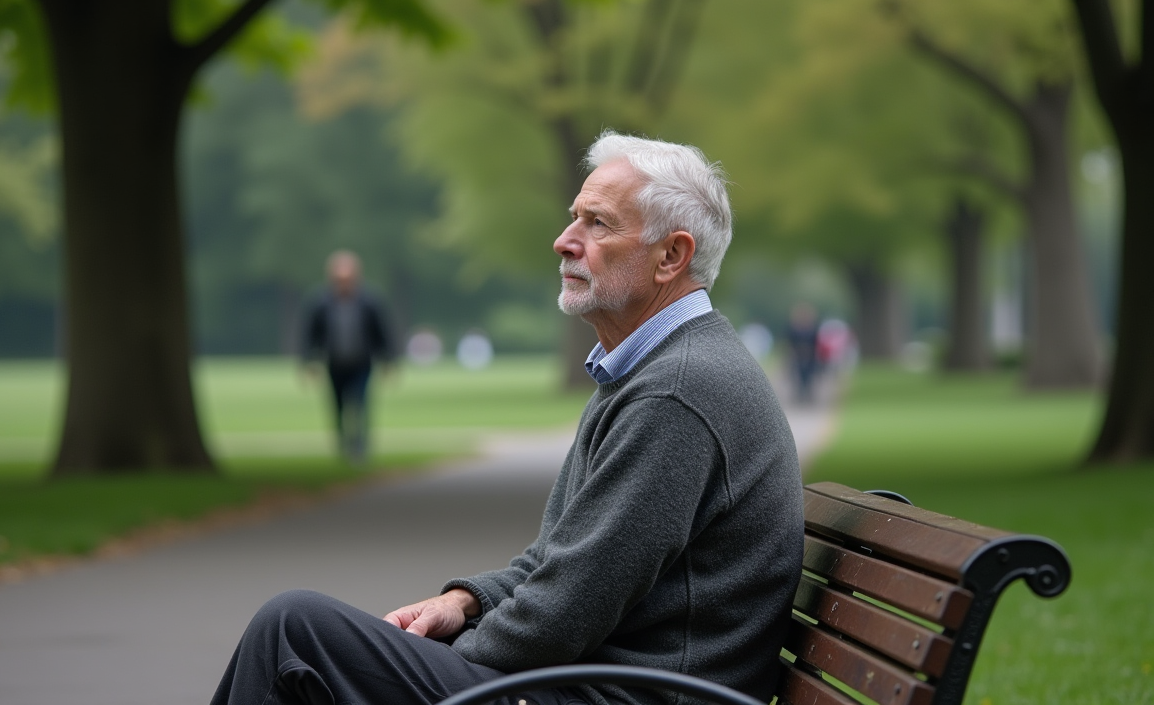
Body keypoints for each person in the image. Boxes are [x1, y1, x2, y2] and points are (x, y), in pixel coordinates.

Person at [212, 132, 804, 705]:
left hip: (610, 693)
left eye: (597, 223)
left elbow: (565, 610)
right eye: (575, 217)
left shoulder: (676, 392)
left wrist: (449, 657)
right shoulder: (657, 369)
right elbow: (562, 556)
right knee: (310, 637)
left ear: (671, 256)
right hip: (593, 680)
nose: (564, 240)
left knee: (293, 630)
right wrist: (467, 601)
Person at [300, 251, 397, 464]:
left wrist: (388, 360)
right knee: (338, 405)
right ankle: (343, 445)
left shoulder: (369, 301)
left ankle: (360, 446)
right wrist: (309, 362)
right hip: (335, 363)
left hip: (361, 362)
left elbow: (381, 332)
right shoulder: (321, 303)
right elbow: (311, 334)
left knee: (361, 403)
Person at [786, 302, 820, 403]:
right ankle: (800, 394)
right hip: (798, 355)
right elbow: (790, 341)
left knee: (809, 376)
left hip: (810, 355)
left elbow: (816, 342)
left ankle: (808, 394)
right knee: (799, 376)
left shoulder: (813, 328)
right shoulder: (794, 328)